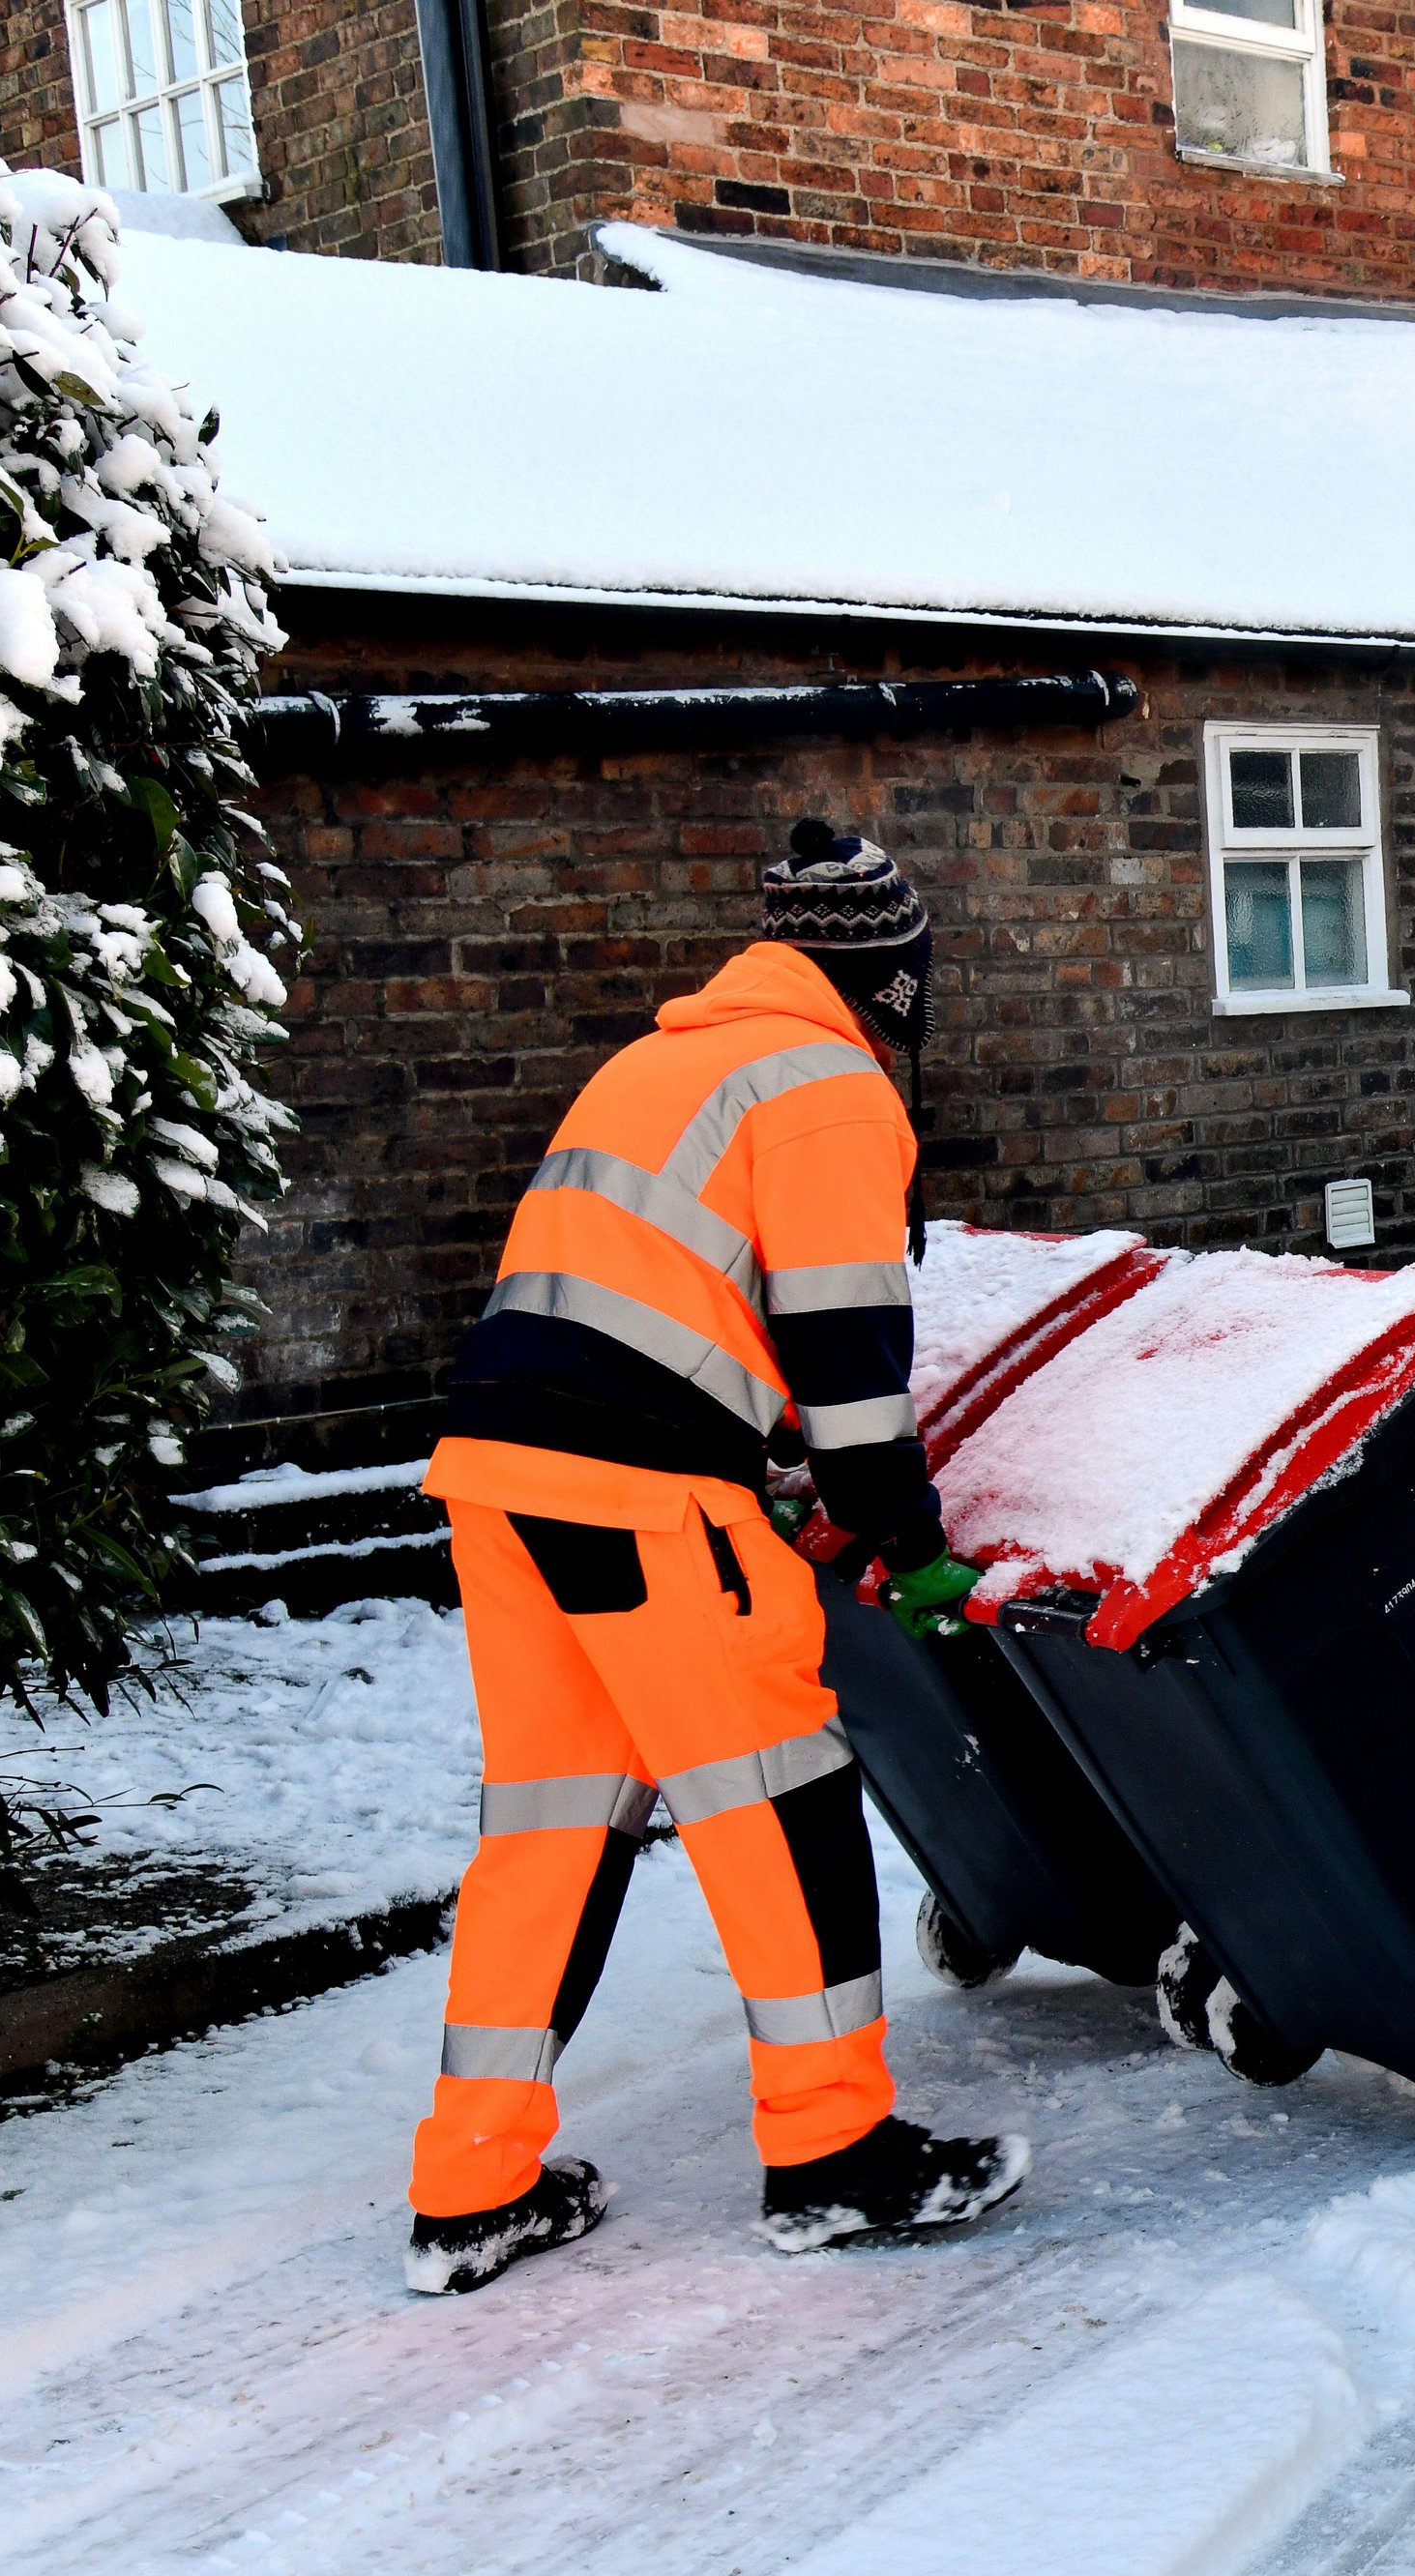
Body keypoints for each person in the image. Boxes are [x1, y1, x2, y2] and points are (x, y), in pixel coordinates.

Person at [398, 821, 1029, 2295]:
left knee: (551, 1833)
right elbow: (847, 1350)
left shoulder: (657, 1062)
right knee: (780, 1803)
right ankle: (835, 2159)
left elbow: (669, 1294)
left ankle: (467, 2187)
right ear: (889, 978)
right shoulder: (826, 1085)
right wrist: (899, 1528)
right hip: (647, 1498)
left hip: (499, 1480)